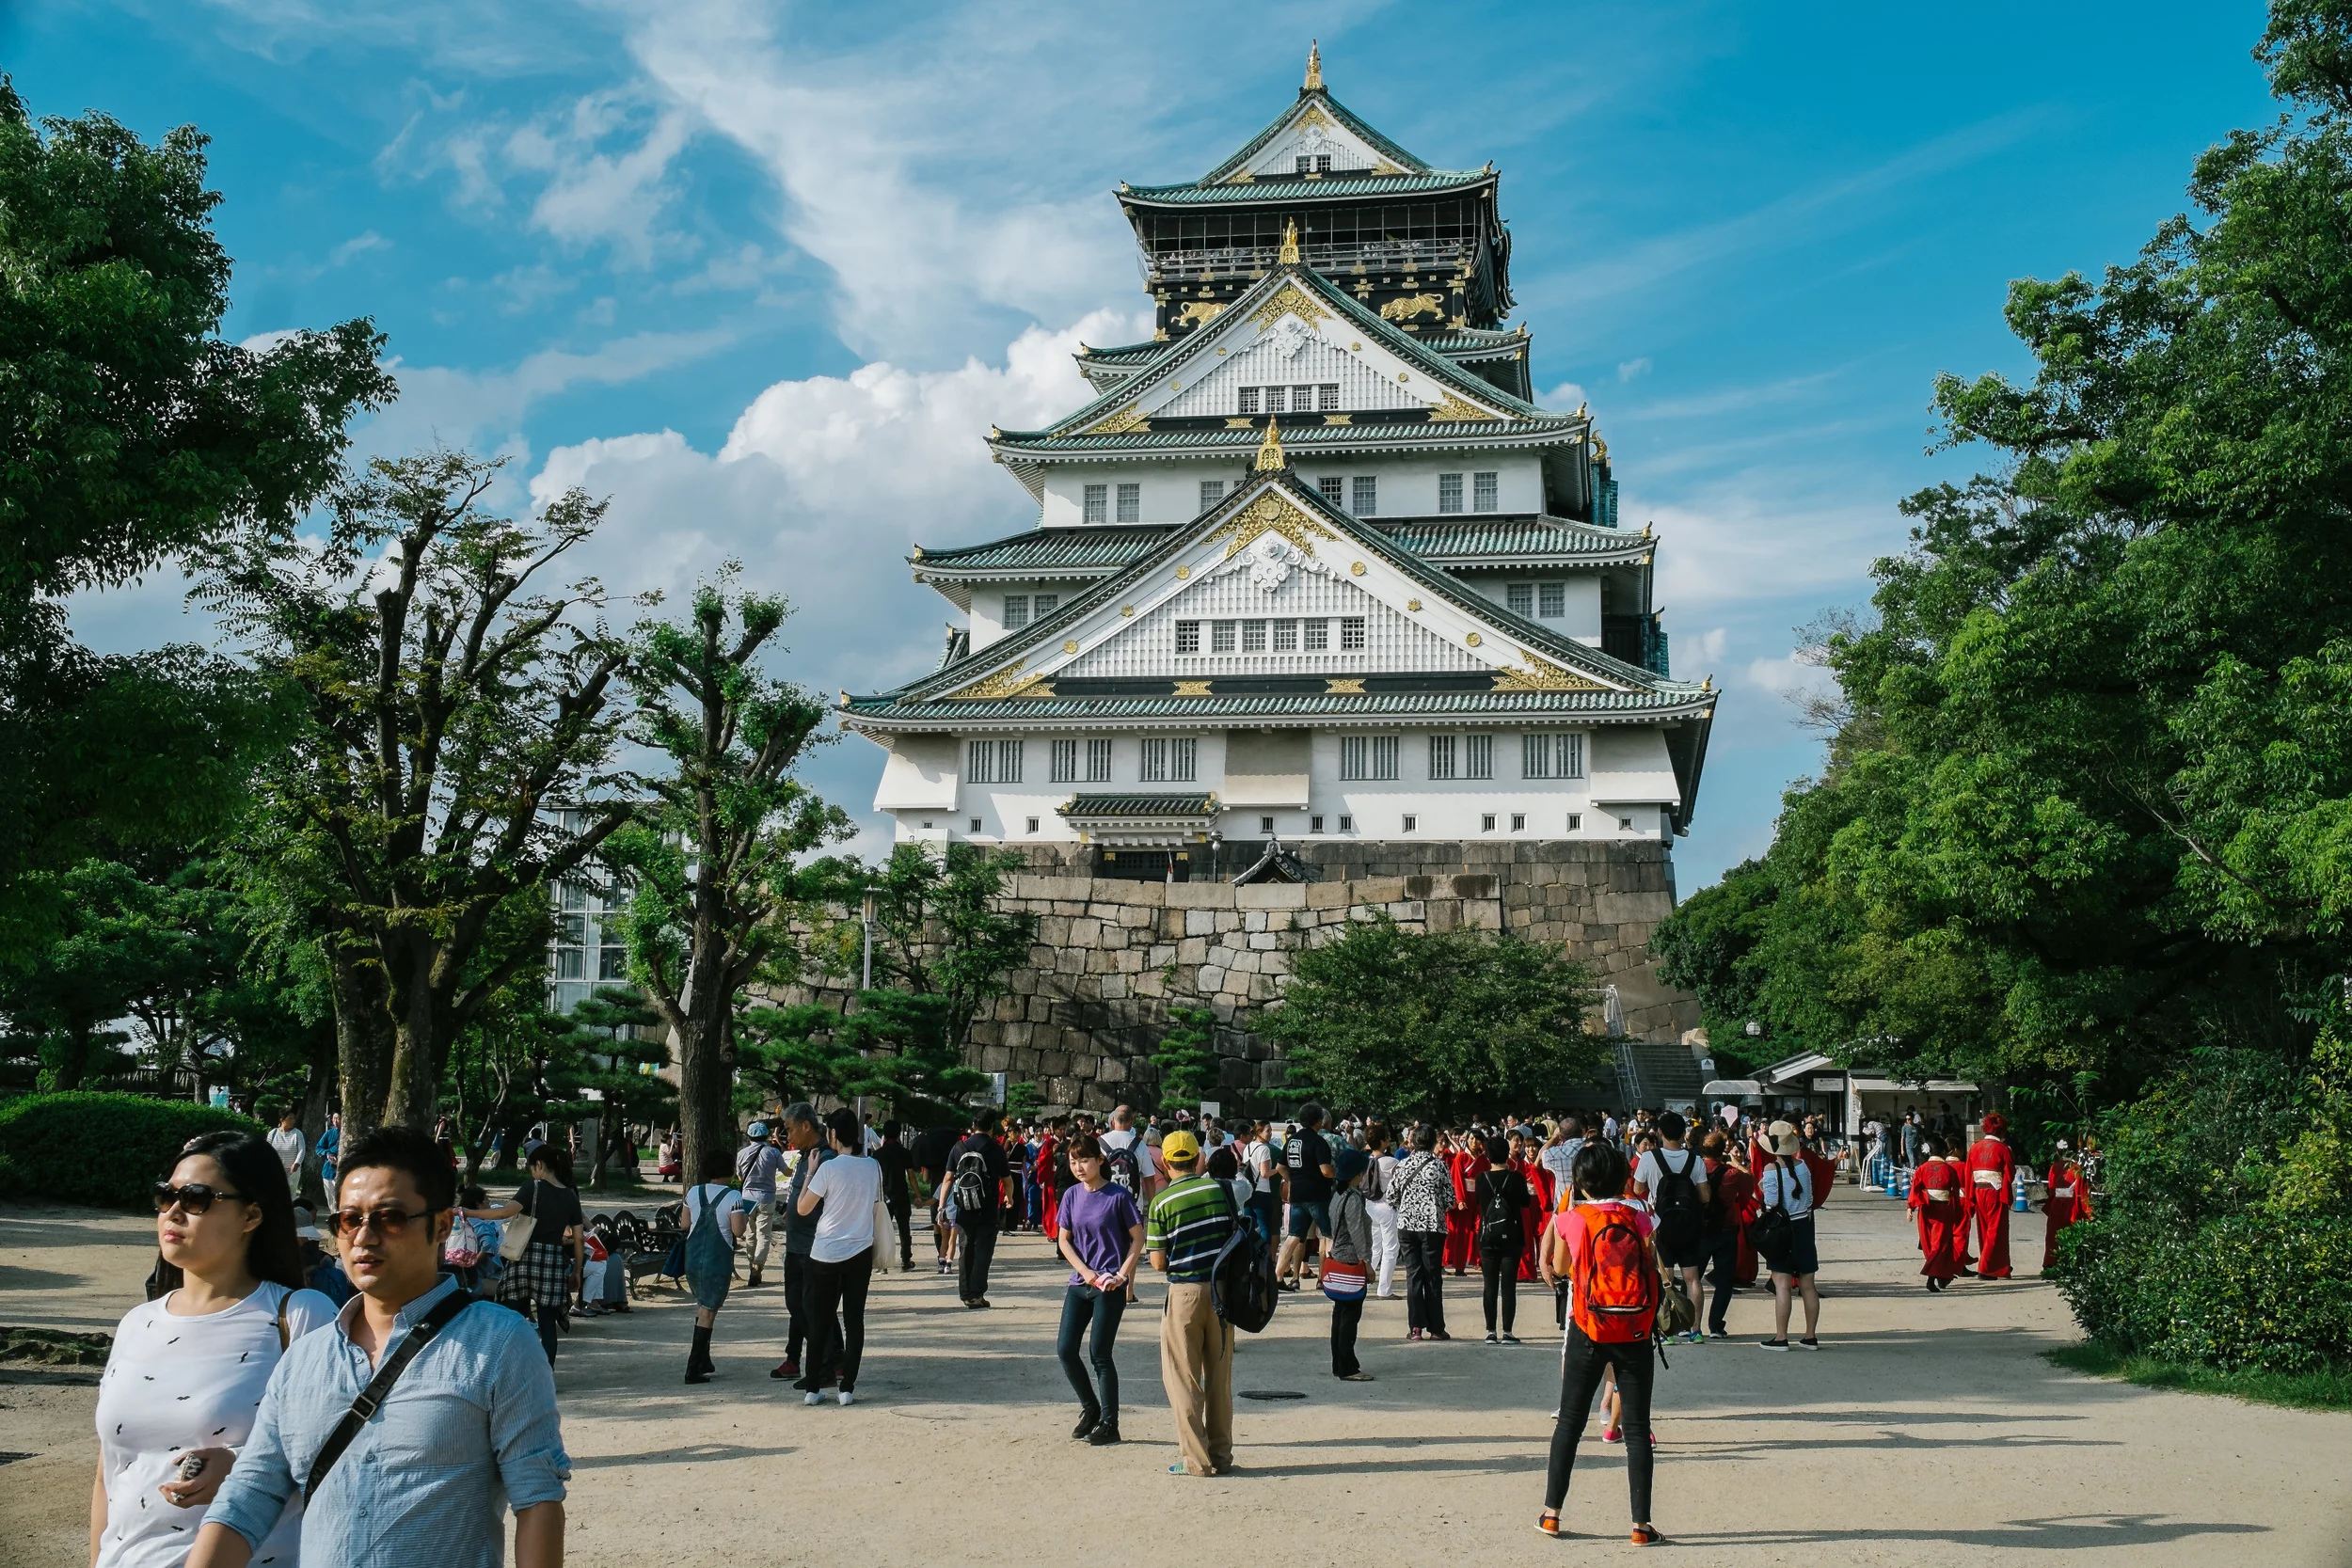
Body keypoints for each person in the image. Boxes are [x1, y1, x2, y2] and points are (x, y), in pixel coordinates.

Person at [186, 1125, 567, 1568]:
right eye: (349, 1219)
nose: (364, 1237)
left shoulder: (499, 1343)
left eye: (391, 1218)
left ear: (442, 1225)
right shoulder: (306, 1358)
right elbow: (250, 1493)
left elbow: (537, 1496)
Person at [93, 1134, 339, 1568]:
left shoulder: (301, 1315)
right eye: (165, 1195)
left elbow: (336, 1457)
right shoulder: (137, 1323)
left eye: (196, 1198)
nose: (172, 1210)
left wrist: (237, 1465)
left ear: (252, 1215)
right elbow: (109, 1473)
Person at [1536, 1139, 1663, 1545]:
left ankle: (1552, 1514)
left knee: (1570, 1422)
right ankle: (1640, 1526)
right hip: (1635, 1330)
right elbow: (1651, 1257)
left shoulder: (1573, 1219)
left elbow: (1560, 1267)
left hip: (1587, 1327)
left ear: (1581, 1182)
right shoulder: (1639, 1216)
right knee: (1639, 1428)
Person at [1145, 1130, 1238, 1477]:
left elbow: (1157, 1262)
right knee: (1219, 1377)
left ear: (1165, 1162)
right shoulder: (1219, 1190)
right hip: (1222, 1293)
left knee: (1184, 1378)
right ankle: (1221, 1455)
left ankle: (1196, 1460)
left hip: (1184, 1293)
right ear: (1199, 1158)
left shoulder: (1162, 1203)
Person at [1053, 1132, 1145, 1444]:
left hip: (1110, 1287)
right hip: (1080, 1284)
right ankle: (1090, 1408)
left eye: (1085, 1160)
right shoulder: (1071, 1195)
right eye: (1073, 1160)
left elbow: (1138, 1238)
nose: (1079, 1166)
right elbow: (1063, 1239)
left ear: (1099, 1160)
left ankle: (1110, 1423)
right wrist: (1085, 1271)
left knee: (1099, 1353)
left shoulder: (1118, 1196)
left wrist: (1122, 1275)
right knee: (1065, 1350)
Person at [796, 1107, 882, 1405]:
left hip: (827, 1250)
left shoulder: (828, 1168)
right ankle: (847, 1387)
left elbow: (803, 1208)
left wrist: (809, 1171)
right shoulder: (872, 1167)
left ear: (832, 1134)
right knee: (854, 1319)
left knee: (820, 1319)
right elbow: (875, 1205)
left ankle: (814, 1387)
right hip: (860, 1249)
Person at [1631, 1110, 1711, 1344]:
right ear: (1683, 1133)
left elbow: (1637, 1189)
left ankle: (1667, 1329)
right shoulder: (1694, 1160)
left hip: (1661, 1224)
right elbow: (1705, 1196)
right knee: (1692, 1279)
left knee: (1665, 1278)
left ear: (1660, 1133)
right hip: (1689, 1225)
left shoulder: (1649, 1158)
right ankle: (1695, 1329)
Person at [503, 1145, 584, 1366]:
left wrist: (468, 1212)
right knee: (548, 1325)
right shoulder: (570, 1195)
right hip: (552, 1262)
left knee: (514, 1319)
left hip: (524, 1259)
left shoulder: (532, 1188)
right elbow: (579, 1238)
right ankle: (546, 1375)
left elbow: (505, 1212)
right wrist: (577, 1270)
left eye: (532, 1168)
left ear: (539, 1165)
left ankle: (514, 1370)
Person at [770, 1103, 831, 1382]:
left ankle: (830, 1358)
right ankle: (798, 1357)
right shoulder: (806, 1156)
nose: (787, 1135)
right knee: (799, 1304)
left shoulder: (825, 1159)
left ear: (806, 1125)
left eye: (790, 1128)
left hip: (813, 1245)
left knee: (809, 1305)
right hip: (795, 1243)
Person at [680, 1151, 749, 1384]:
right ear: (730, 1171)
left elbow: (685, 1223)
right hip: (717, 1259)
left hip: (693, 1257)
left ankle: (704, 1359)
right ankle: (693, 1368)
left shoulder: (693, 1192)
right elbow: (738, 1230)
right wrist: (746, 1216)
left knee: (703, 1307)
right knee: (708, 1311)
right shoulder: (734, 1197)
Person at [1755, 1126, 1821, 1350]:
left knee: (1782, 1284)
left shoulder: (1771, 1169)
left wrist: (1763, 1187)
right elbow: (1810, 1198)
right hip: (1804, 1225)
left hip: (1781, 1228)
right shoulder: (1803, 1166)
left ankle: (1781, 1337)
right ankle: (1810, 1336)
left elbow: (1772, 1203)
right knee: (1808, 1285)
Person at [1388, 1123, 1454, 1341]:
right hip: (1433, 1226)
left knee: (1413, 1275)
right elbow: (1450, 1199)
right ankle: (1436, 1328)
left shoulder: (1403, 1165)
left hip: (1407, 1225)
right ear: (1433, 1143)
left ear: (1413, 1142)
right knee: (1432, 1276)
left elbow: (1391, 1197)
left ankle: (1415, 1327)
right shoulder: (1439, 1166)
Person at [1473, 1132, 1533, 1344]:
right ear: (1507, 1154)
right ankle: (1507, 1331)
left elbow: (1480, 1202)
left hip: (1488, 1235)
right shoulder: (1516, 1177)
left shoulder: (1482, 1178)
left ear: (1488, 1156)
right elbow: (1525, 1202)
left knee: (1489, 1285)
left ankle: (1491, 1331)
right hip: (1512, 1234)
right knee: (1508, 1285)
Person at [949, 1110, 1010, 1307]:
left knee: (965, 1249)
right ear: (991, 1127)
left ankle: (965, 1293)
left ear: (972, 1125)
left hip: (964, 1207)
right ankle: (977, 1294)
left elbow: (948, 1178)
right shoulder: (996, 1149)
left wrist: (942, 1206)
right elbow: (1007, 1179)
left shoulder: (959, 1147)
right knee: (983, 1251)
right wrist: (1010, 1198)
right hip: (987, 1207)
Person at [1326, 1147, 1376, 1382]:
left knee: (1340, 1312)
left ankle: (1339, 1362)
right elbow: (1357, 1231)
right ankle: (1347, 1366)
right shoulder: (1354, 1197)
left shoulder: (1337, 1194)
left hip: (1337, 1255)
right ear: (1357, 1173)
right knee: (1350, 1315)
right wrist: (1366, 1262)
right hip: (1351, 1259)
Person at [1276, 1102, 1337, 1291]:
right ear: (1318, 1120)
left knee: (1293, 1236)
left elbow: (1280, 1167)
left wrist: (1292, 1180)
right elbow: (1326, 1171)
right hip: (1318, 1195)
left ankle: (1277, 1277)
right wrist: (1338, 1175)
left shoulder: (1292, 1140)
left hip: (1297, 1195)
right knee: (1328, 1235)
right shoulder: (1318, 1142)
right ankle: (1330, 1277)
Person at [1698, 1132, 1752, 1338]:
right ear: (1724, 1149)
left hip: (1700, 1230)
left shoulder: (1695, 1169)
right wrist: (1736, 1163)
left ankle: (1690, 1324)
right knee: (1724, 1280)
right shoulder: (1731, 1173)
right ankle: (1716, 1325)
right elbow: (1750, 1183)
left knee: (1693, 1278)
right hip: (1726, 1229)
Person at [1907, 1134, 1966, 1291]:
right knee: (1940, 1246)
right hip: (1943, 1211)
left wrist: (1910, 1208)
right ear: (1943, 1151)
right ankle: (1932, 1278)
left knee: (1932, 1245)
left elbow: (1915, 1190)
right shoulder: (1949, 1170)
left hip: (1926, 1211)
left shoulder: (1921, 1169)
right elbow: (1954, 1194)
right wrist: (1957, 1213)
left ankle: (1942, 1276)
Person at [1966, 1112, 2019, 1279]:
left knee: (1984, 1230)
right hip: (1995, 1191)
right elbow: (2009, 1173)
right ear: (2002, 1131)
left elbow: (1968, 1174)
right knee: (1996, 1231)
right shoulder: (2003, 1149)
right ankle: (1986, 1267)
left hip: (1978, 1190)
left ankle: (1999, 1267)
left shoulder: (1975, 1148)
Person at [735, 1122, 786, 1289]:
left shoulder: (742, 1153)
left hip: (747, 1197)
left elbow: (740, 1177)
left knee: (750, 1233)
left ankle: (751, 1266)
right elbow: (786, 1171)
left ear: (749, 1136)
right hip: (767, 1197)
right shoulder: (773, 1152)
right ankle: (758, 1266)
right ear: (767, 1135)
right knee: (764, 1235)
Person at [2041, 1138, 2093, 1274]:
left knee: (2053, 1235)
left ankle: (2050, 1263)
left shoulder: (2054, 1167)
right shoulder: (2077, 1168)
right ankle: (2070, 1263)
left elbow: (2051, 1188)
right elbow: (2081, 1190)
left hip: (2057, 1202)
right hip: (2072, 1203)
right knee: (2071, 1233)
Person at [1363, 1119, 1401, 1300]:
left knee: (1375, 1247)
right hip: (1387, 1207)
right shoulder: (1392, 1162)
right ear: (1383, 1141)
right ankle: (1384, 1289)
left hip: (1369, 1206)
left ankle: (1362, 1281)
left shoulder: (1366, 1161)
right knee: (1391, 1249)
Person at [875, 1119, 915, 1273]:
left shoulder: (877, 1155)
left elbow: (875, 1178)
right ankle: (906, 1260)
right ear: (899, 1134)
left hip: (883, 1197)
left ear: (884, 1134)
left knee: (883, 1231)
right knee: (904, 1230)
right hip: (901, 1196)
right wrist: (918, 1195)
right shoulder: (904, 1153)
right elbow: (911, 1177)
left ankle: (883, 1264)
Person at [265, 1110, 306, 1199]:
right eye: (290, 1118)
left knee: (290, 1195)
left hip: (292, 1171)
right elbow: (267, 1151)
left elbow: (302, 1150)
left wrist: (297, 1163)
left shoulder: (297, 1133)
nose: (293, 1120)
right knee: (275, 1193)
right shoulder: (273, 1133)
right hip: (276, 1170)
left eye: (293, 1118)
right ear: (282, 1120)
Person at [312, 1113, 340, 1198]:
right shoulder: (330, 1133)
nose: (335, 1121)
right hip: (330, 1171)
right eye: (333, 1118)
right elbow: (318, 1148)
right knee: (332, 1204)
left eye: (338, 1118)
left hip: (345, 1171)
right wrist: (327, 1154)